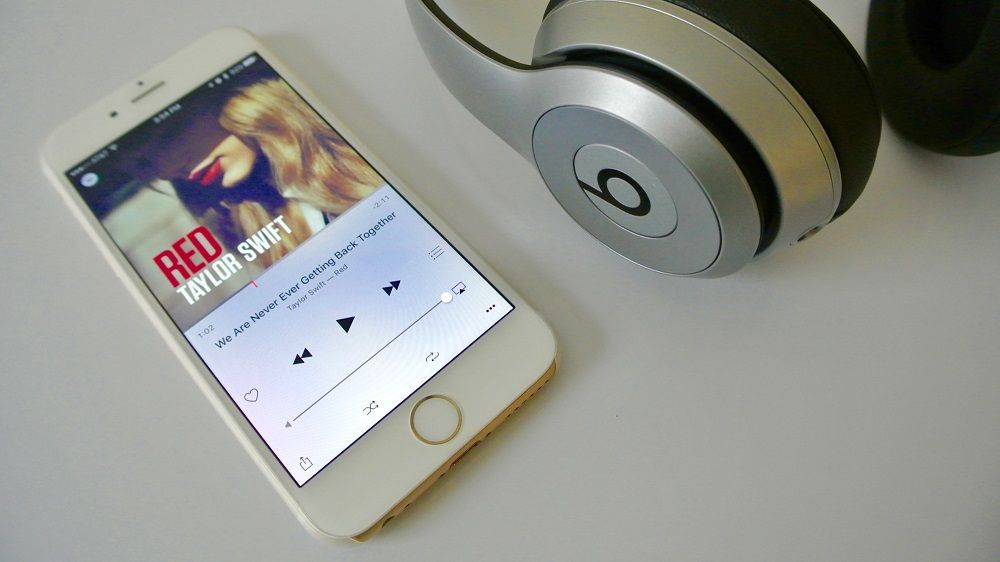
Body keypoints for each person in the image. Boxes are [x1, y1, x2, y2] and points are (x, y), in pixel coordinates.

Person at [182, 78, 383, 266]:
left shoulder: (359, 128)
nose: (169, 169)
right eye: (152, 165)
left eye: (169, 136)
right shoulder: (263, 227)